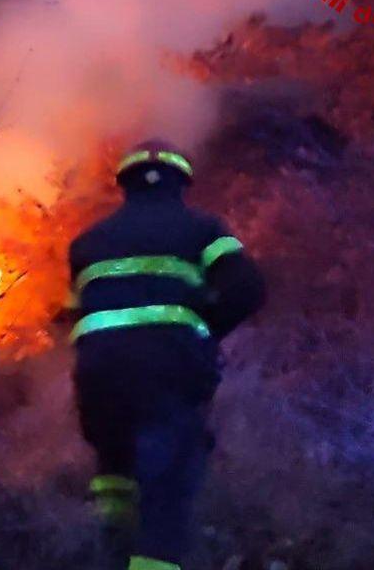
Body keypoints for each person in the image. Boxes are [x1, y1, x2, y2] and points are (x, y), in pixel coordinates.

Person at [67, 139, 266, 570]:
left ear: (125, 184)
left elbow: (73, 314)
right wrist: (204, 329)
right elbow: (248, 288)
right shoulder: (202, 230)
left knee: (114, 475)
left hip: (98, 378)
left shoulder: (86, 244)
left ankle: (107, 554)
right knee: (168, 487)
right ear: (181, 183)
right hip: (167, 372)